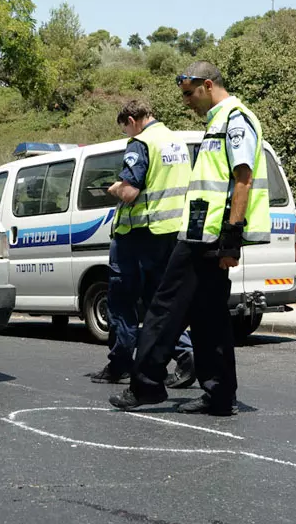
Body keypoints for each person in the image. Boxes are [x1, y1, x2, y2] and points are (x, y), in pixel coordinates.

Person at [109, 62, 272, 416]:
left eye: (188, 94)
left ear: (208, 84)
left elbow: (242, 178)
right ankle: (219, 395)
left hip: (210, 236)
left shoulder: (235, 119)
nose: (185, 102)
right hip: (203, 231)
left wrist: (231, 237)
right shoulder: (218, 121)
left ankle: (147, 385)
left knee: (163, 306)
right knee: (208, 315)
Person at [87, 100, 196, 388]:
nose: (127, 135)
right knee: (158, 302)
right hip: (170, 232)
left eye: (126, 129)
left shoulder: (141, 143)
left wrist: (113, 187)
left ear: (133, 120)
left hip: (138, 233)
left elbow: (130, 191)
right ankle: (186, 355)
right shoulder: (176, 143)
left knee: (121, 301)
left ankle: (121, 363)